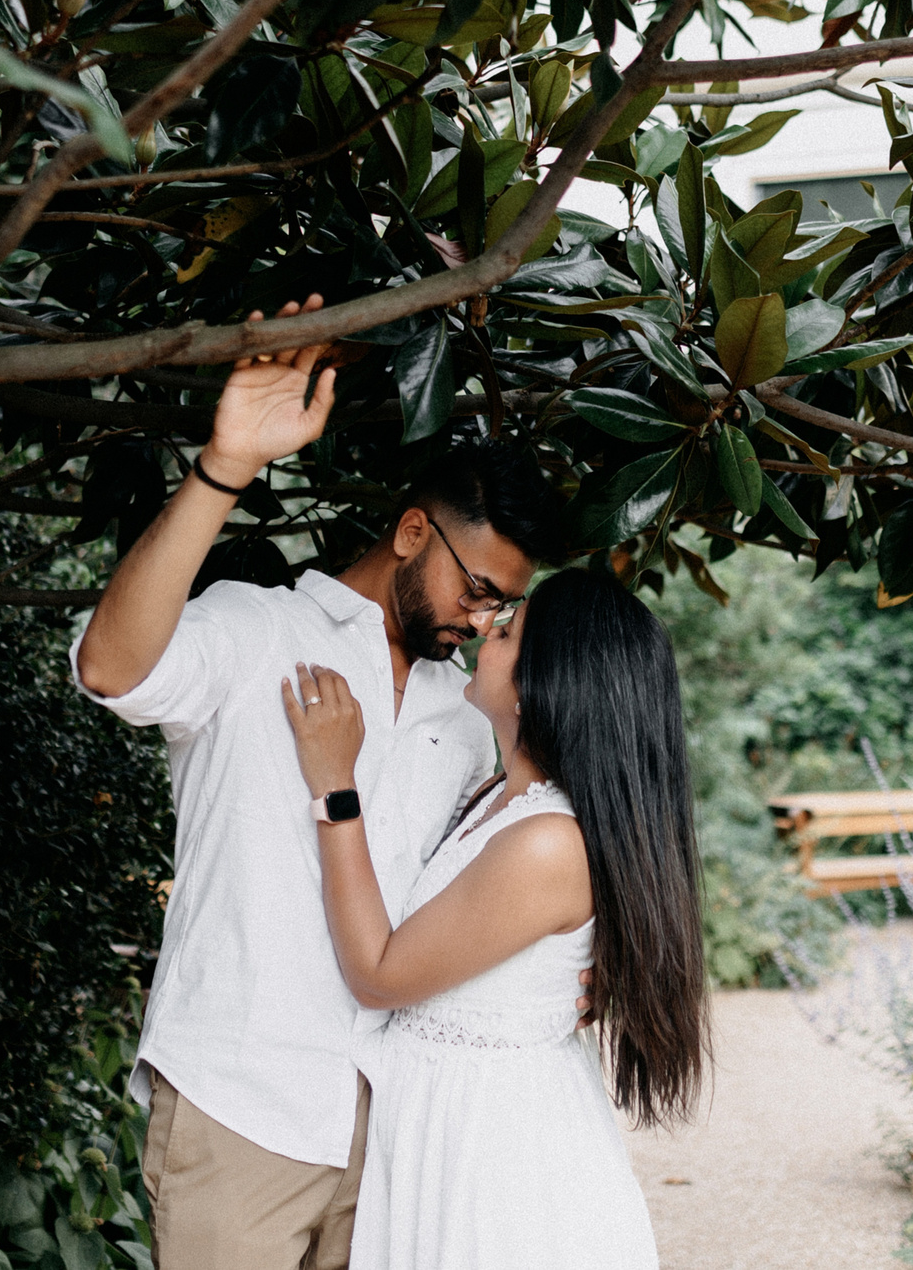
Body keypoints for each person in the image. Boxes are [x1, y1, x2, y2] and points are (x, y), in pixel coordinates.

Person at [71, 294, 569, 1270]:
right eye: (478, 590)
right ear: (414, 531)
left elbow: (477, 895)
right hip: (242, 1103)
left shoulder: (464, 721)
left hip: (391, 1122)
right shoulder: (256, 631)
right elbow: (110, 670)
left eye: (504, 607)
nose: (481, 621)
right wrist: (228, 466)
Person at [280, 567, 708, 1270]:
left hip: (495, 1153)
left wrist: (335, 787)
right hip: (454, 1129)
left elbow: (379, 974)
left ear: (541, 683)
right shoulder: (503, 794)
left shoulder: (545, 841)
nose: (483, 627)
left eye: (506, 631)